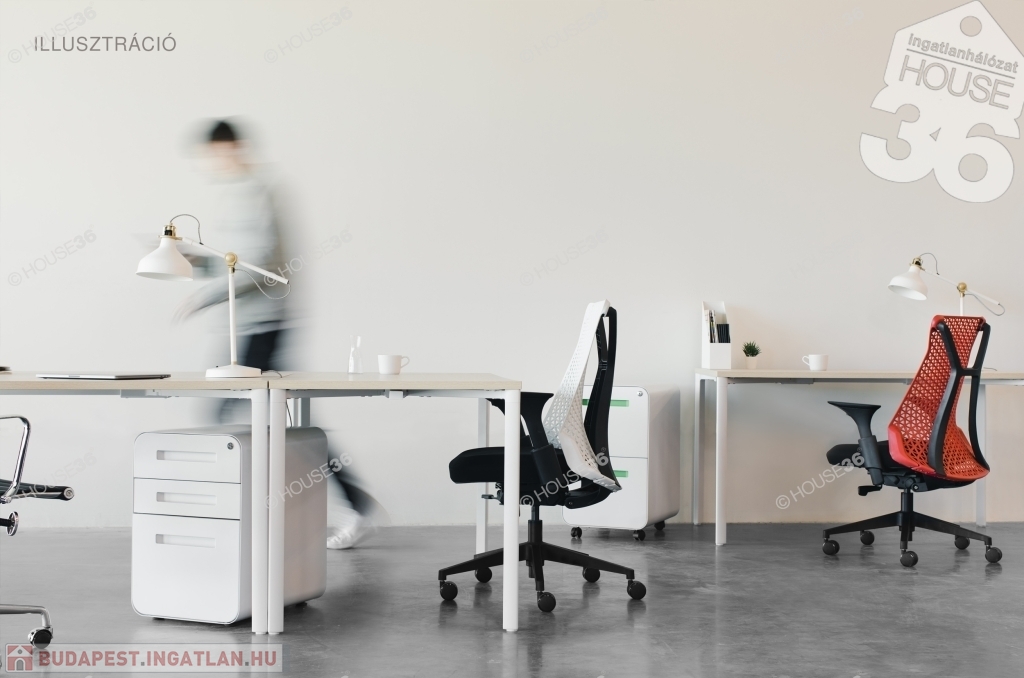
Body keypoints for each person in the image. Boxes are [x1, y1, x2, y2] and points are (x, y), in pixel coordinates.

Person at [175, 118, 377, 549]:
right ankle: (344, 503)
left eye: (216, 153)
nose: (211, 162)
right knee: (272, 418)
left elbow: (260, 264)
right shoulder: (239, 192)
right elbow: (235, 262)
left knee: (247, 417)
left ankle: (268, 514)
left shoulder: (255, 192)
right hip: (249, 325)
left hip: (262, 324)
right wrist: (199, 265)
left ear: (232, 148)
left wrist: (206, 296)